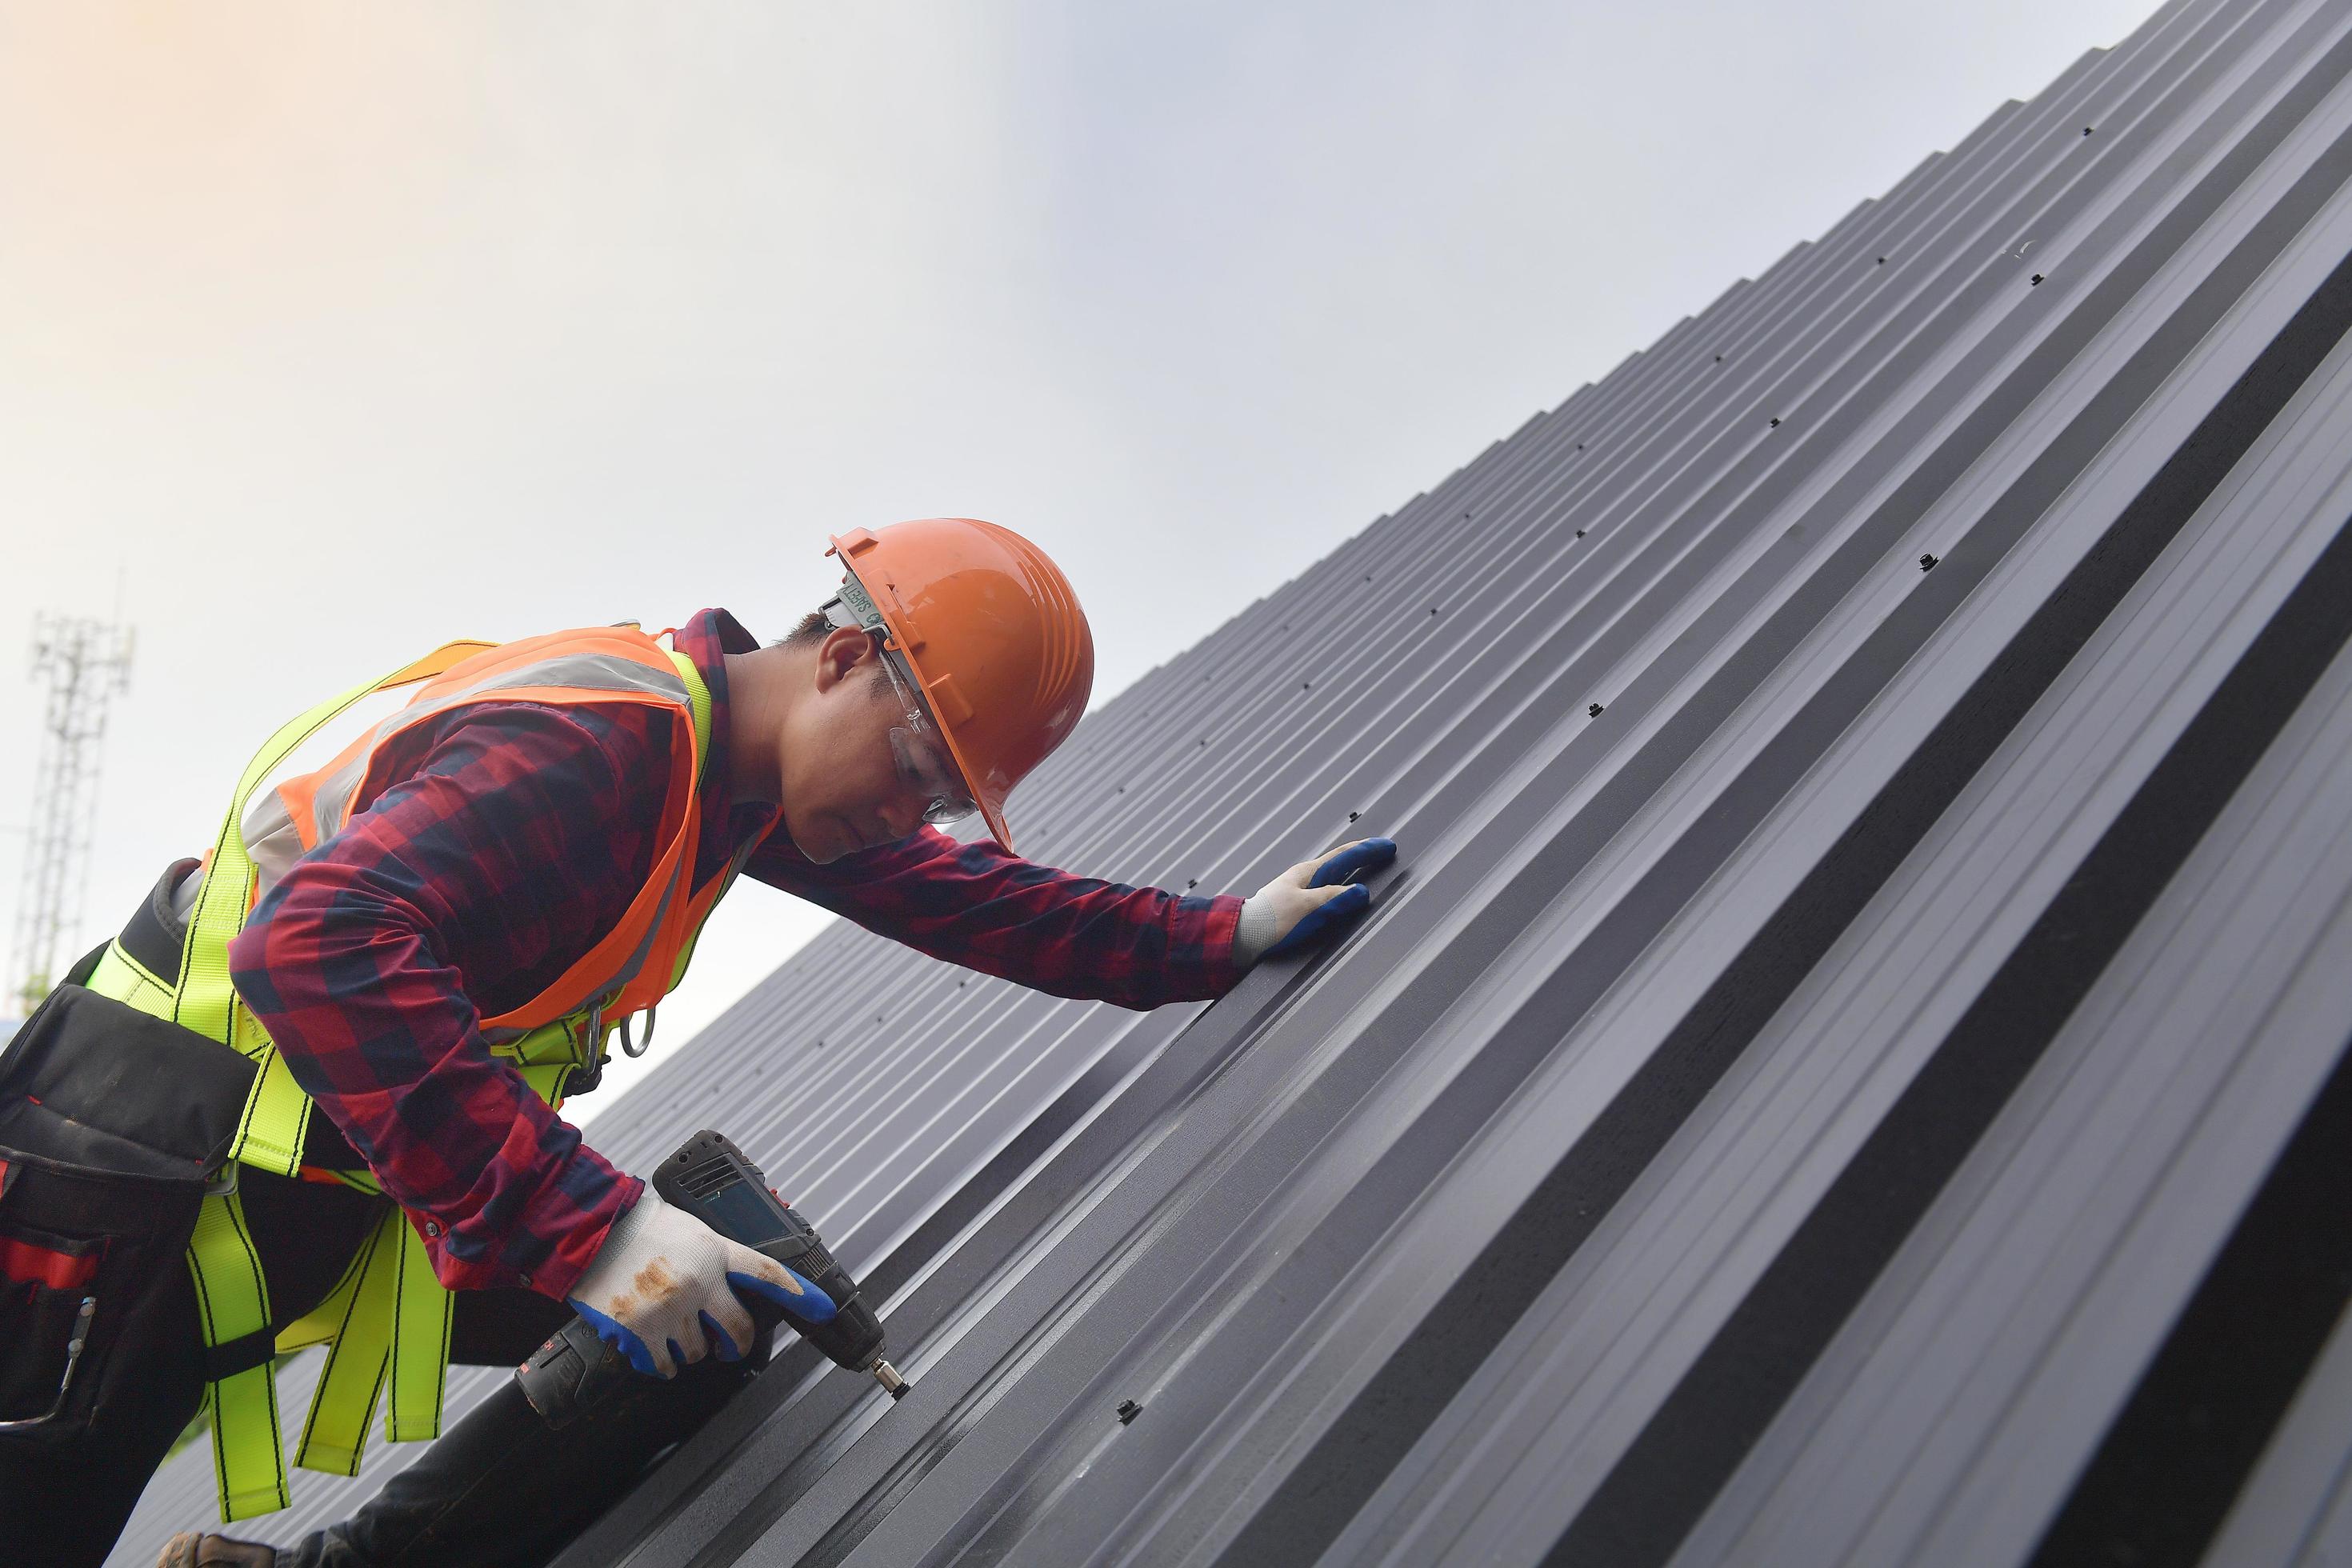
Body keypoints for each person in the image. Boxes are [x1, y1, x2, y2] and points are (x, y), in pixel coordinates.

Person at [0, 518, 1394, 1567]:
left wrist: (1210, 939)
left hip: (330, 1176)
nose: (915, 823)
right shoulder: (611, 746)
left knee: (720, 1318)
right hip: (126, 1165)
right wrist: (594, 1228)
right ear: (845, 660)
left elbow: (976, 903)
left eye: (943, 802)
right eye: (917, 776)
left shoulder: (735, 786)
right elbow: (312, 941)